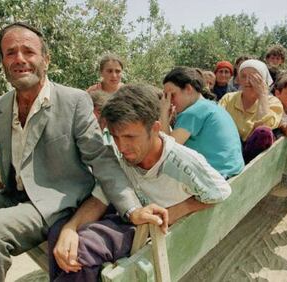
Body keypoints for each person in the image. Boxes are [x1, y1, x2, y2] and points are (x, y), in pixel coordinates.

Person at [0, 22, 152, 282]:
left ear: (46, 60)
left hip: (57, 202)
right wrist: (0, 188)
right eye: (10, 53)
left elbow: (102, 160)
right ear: (3, 63)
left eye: (28, 52)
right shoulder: (0, 106)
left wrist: (131, 209)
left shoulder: (74, 101)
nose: (19, 59)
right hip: (16, 196)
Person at [48, 84, 232, 281]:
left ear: (154, 128)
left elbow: (221, 190)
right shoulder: (122, 158)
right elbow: (101, 197)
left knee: (81, 251)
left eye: (129, 137)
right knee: (58, 232)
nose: (121, 146)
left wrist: (177, 210)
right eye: (115, 137)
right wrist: (71, 228)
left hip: (144, 231)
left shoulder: (182, 162)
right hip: (128, 216)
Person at [161, 66, 244, 179]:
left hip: (217, 176)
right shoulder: (211, 106)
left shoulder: (192, 112)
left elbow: (167, 151)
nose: (169, 101)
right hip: (233, 172)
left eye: (172, 95)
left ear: (189, 89)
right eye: (166, 97)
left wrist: (163, 114)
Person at [219, 59, 284, 163]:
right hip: (229, 148)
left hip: (254, 154)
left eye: (254, 77)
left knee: (263, 132)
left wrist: (262, 95)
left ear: (263, 79)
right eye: (243, 76)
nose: (247, 81)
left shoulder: (273, 102)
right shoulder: (228, 98)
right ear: (238, 79)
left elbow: (265, 127)